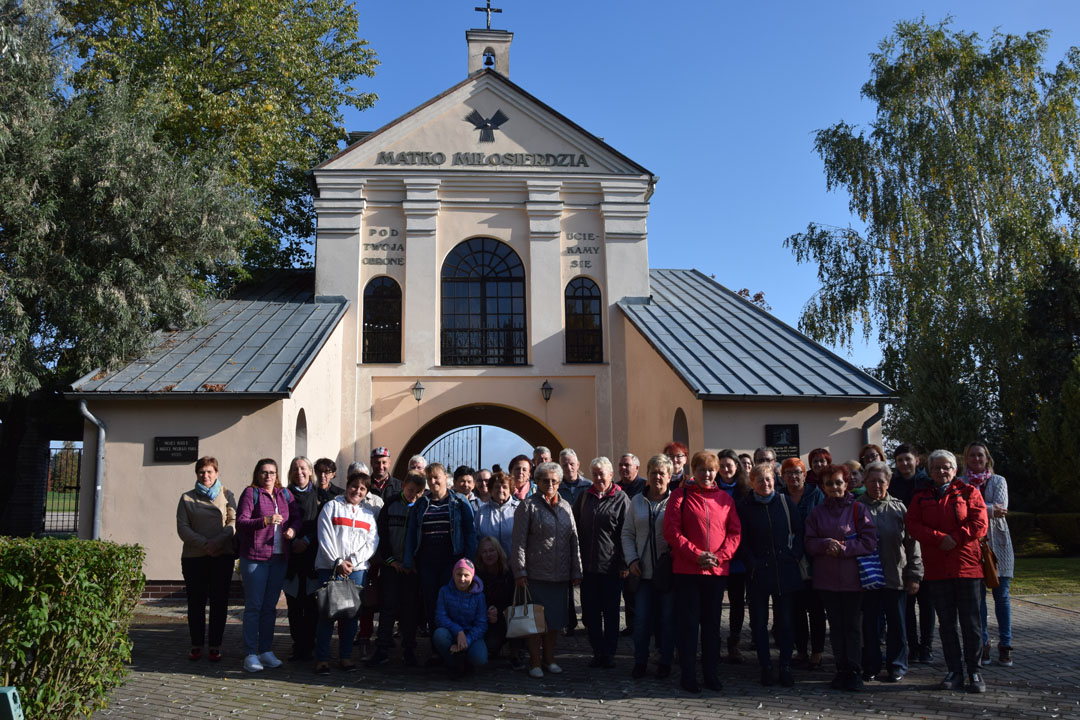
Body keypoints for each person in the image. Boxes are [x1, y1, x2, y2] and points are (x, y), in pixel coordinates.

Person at [906, 449, 989, 693]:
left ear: (955, 470)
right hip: (937, 569)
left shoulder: (969, 492)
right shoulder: (921, 496)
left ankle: (974, 671)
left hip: (967, 567)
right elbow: (913, 524)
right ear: (929, 471)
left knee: (971, 623)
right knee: (947, 624)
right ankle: (954, 671)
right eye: (936, 467)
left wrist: (956, 537)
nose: (941, 471)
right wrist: (939, 538)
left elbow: (980, 523)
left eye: (946, 467)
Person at [663, 451, 742, 694]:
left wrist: (720, 557)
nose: (707, 474)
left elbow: (734, 533)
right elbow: (672, 531)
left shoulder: (725, 499)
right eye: (702, 470)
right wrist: (696, 554)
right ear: (694, 471)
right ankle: (688, 675)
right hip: (687, 571)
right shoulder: (680, 495)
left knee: (712, 627)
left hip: (716, 573)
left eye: (711, 470)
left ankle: (711, 674)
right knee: (688, 626)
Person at [805, 463, 876, 691]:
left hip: (853, 580)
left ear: (846, 484)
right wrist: (825, 544)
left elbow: (869, 542)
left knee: (852, 627)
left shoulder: (858, 509)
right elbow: (808, 542)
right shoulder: (817, 512)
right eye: (829, 483)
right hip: (826, 580)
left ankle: (854, 671)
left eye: (838, 482)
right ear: (823, 487)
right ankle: (841, 669)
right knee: (835, 627)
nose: (834, 487)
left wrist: (844, 548)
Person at [511, 461, 583, 678]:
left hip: (560, 576)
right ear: (537, 482)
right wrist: (520, 571)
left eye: (554, 481)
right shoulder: (528, 506)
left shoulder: (566, 506)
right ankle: (534, 662)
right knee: (535, 623)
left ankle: (549, 659)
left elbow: (574, 539)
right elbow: (518, 542)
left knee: (554, 622)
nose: (550, 485)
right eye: (545, 481)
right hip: (536, 575)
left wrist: (576, 570)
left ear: (559, 482)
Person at [403, 462, 478, 663]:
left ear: (446, 477)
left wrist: (469, 561)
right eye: (430, 478)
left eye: (437, 477)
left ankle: (456, 645)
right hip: (427, 562)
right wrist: (409, 560)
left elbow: (470, 532)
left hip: (452, 562)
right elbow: (411, 534)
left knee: (452, 603)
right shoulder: (421, 504)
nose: (433, 481)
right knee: (432, 603)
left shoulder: (459, 502)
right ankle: (437, 648)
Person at [737, 462, 803, 687]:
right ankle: (765, 666)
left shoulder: (784, 502)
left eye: (769, 479)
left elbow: (799, 530)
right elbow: (740, 540)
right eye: (760, 480)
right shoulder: (744, 507)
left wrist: (794, 555)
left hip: (785, 569)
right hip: (759, 572)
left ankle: (785, 666)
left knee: (785, 622)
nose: (765, 483)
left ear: (774, 481)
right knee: (759, 623)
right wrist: (752, 564)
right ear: (752, 483)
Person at [858, 461, 922, 683]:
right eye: (872, 481)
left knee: (897, 625)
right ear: (864, 481)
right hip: (866, 578)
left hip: (896, 575)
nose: (876, 485)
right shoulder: (856, 507)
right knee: (869, 625)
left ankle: (897, 665)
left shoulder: (899, 508)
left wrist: (915, 575)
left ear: (888, 482)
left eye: (881, 481)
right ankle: (871, 664)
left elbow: (912, 544)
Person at [236, 458, 300, 673]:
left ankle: (265, 650)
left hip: (279, 558)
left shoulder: (285, 494)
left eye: (272, 472)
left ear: (277, 474)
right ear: (257, 474)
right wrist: (265, 521)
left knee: (269, 608)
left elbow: (296, 518)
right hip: (255, 558)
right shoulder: (251, 493)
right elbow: (241, 522)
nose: (268, 476)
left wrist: (292, 530)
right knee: (254, 606)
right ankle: (250, 653)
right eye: (264, 472)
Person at [313, 469, 379, 674]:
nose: (357, 491)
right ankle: (322, 659)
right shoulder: (331, 507)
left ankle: (346, 656)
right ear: (347, 485)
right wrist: (338, 561)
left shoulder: (368, 515)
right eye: (354, 486)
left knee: (350, 616)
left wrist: (353, 561)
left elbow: (372, 542)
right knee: (327, 614)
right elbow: (324, 536)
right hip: (330, 568)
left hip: (356, 570)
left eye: (362, 489)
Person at [176, 456, 236, 663]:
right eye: (202, 472)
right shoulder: (186, 498)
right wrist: (205, 544)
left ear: (216, 473)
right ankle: (196, 644)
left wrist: (217, 543)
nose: (206, 475)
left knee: (219, 603)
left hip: (221, 556)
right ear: (197, 474)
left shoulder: (227, 494)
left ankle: (215, 645)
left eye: (210, 471)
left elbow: (233, 522)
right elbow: (183, 528)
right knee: (196, 603)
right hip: (195, 558)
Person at [621, 453, 675, 679]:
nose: (657, 477)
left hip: (668, 574)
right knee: (642, 621)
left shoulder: (675, 501)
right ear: (648, 475)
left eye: (662, 473)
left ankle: (665, 661)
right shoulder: (636, 502)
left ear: (669, 476)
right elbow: (627, 533)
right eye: (654, 473)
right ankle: (640, 661)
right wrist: (632, 559)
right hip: (642, 573)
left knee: (667, 621)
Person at [961, 441, 1015, 668]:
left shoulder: (999, 480)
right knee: (978, 599)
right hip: (972, 546)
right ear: (966, 459)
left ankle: (1006, 644)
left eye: (980, 455)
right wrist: (990, 509)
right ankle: (982, 644)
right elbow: (961, 510)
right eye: (972, 455)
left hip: (999, 544)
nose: (976, 459)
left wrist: (979, 508)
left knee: (1002, 596)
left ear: (987, 458)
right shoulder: (960, 483)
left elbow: (1002, 507)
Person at [575, 456, 631, 668]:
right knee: (591, 612)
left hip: (611, 567)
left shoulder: (621, 498)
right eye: (595, 474)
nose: (599, 478)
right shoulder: (584, 497)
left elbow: (627, 533)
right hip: (588, 567)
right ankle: (597, 651)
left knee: (611, 613)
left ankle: (609, 653)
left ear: (611, 475)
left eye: (602, 474)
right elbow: (575, 527)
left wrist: (624, 563)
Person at [368, 471, 427, 667]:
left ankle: (409, 648)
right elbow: (381, 535)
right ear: (403, 486)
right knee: (388, 607)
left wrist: (414, 563)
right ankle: (382, 648)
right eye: (410, 490)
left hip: (411, 569)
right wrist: (391, 560)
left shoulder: (423, 506)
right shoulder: (391, 504)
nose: (413, 495)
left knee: (410, 609)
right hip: (391, 566)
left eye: (418, 492)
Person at [890, 443, 935, 663]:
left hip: (926, 549)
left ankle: (926, 646)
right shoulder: (892, 484)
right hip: (902, 550)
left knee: (927, 604)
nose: (904, 463)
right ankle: (913, 646)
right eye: (900, 460)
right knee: (907, 604)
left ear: (917, 461)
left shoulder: (928, 483)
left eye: (908, 459)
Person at [781, 458, 826, 670]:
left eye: (797, 472)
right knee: (796, 610)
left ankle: (817, 652)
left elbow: (822, 523)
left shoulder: (816, 494)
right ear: (782, 476)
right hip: (790, 560)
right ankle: (801, 650)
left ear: (804, 475)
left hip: (814, 560)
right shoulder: (780, 496)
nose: (793, 476)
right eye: (788, 473)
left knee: (815, 609)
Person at [284, 456, 320, 663]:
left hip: (312, 558)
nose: (299, 472)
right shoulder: (284, 495)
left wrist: (307, 540)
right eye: (295, 469)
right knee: (294, 606)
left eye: (303, 468)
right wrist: (292, 542)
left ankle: (311, 645)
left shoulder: (319, 495)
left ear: (310, 471)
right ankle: (298, 645)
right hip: (292, 559)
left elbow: (322, 524)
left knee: (312, 606)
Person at [716, 448, 751, 663]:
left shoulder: (746, 489)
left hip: (739, 555)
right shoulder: (711, 488)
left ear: (737, 466)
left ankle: (734, 642)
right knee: (714, 601)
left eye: (729, 465)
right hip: (717, 555)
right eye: (721, 466)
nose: (725, 469)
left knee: (737, 602)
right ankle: (713, 641)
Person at [433, 558, 488, 675]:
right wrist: (458, 631)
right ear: (453, 574)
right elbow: (440, 617)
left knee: (480, 658)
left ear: (472, 576)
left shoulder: (479, 596)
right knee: (439, 635)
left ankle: (466, 663)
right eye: (459, 574)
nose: (462, 579)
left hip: (471, 636)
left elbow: (481, 624)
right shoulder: (444, 591)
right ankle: (452, 663)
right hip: (451, 633)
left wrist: (466, 640)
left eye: (466, 575)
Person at [557, 448, 592, 636]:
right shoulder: (556, 487)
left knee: (585, 581)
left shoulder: (588, 486)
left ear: (578, 465)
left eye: (572, 464)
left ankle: (588, 618)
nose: (569, 467)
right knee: (566, 583)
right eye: (565, 465)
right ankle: (569, 621)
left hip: (585, 539)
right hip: (562, 540)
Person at [476, 536, 515, 665]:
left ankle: (515, 650)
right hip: (485, 619)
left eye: (492, 550)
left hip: (505, 618)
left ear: (498, 551)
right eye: (484, 551)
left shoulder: (508, 573)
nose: (489, 555)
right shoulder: (476, 575)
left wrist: (499, 611)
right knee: (490, 646)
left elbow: (512, 600)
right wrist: (487, 611)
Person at [475, 471, 519, 559]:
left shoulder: (519, 509)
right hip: (489, 562)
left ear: (510, 490)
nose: (501, 490)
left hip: (513, 561)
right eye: (497, 487)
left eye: (505, 487)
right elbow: (476, 539)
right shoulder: (482, 511)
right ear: (490, 490)